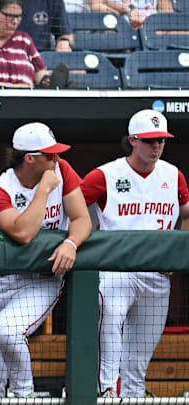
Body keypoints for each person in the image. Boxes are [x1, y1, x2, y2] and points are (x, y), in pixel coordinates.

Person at [0, 122, 91, 398]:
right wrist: (43, 191)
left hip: (42, 278)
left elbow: (81, 218)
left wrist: (71, 242)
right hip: (0, 280)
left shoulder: (62, 171)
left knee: (8, 330)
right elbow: (22, 232)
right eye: (50, 155)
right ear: (30, 158)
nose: (58, 159)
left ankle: (23, 396)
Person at [81, 110, 189, 398]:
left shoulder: (173, 175)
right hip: (116, 271)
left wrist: (177, 251)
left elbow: (187, 213)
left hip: (156, 275)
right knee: (109, 324)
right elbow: (74, 206)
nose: (156, 147)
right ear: (133, 140)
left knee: (138, 359)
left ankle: (132, 396)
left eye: (161, 141)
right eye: (150, 141)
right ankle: (104, 392)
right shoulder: (104, 174)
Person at [0, 0, 66, 88]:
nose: (15, 22)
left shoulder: (24, 40)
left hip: (27, 103)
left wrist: (46, 80)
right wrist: (12, 87)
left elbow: (40, 73)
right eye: (10, 16)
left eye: (19, 17)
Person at [0, 0, 74, 52]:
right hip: (1, 53)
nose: (15, 21)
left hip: (41, 58)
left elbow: (65, 34)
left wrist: (64, 42)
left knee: (78, 70)